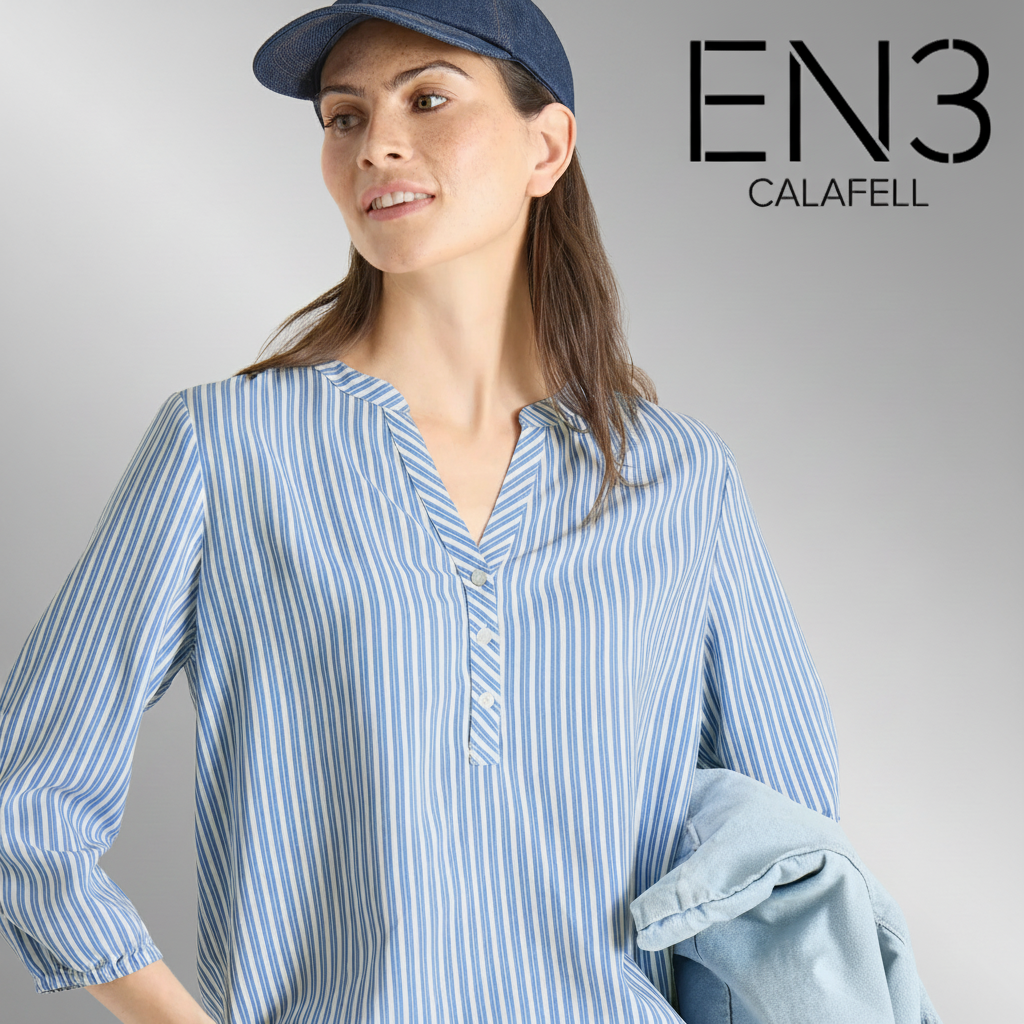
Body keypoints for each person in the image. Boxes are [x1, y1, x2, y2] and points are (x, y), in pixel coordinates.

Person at [0, 1, 839, 1022]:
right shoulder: (228, 448)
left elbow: (794, 858)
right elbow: (25, 805)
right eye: (344, 117)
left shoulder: (677, 475)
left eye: (427, 99)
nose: (375, 145)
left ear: (547, 146)